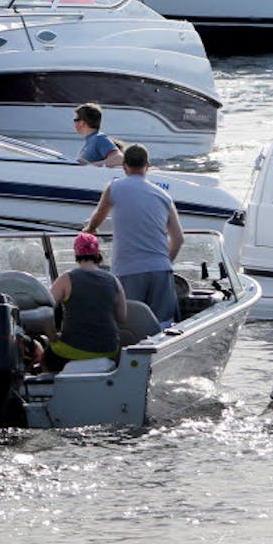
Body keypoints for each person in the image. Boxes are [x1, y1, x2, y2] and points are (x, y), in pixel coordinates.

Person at [83, 143, 185, 324]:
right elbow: (178, 239)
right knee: (163, 326)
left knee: (130, 325)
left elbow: (99, 216)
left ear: (124, 166)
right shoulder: (163, 195)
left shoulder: (115, 187)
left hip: (128, 269)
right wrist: (164, 261)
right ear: (147, 166)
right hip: (160, 269)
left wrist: (90, 230)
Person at [44, 233, 127, 373]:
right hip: (109, 350)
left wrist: (52, 336)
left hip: (73, 350)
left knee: (45, 357)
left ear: (76, 253)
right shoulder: (114, 280)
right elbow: (122, 318)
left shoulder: (66, 279)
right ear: (98, 253)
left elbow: (45, 313)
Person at [74, 102, 124, 168]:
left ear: (82, 123)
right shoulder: (91, 140)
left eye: (75, 120)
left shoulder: (99, 138)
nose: (74, 123)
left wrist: (90, 166)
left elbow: (119, 159)